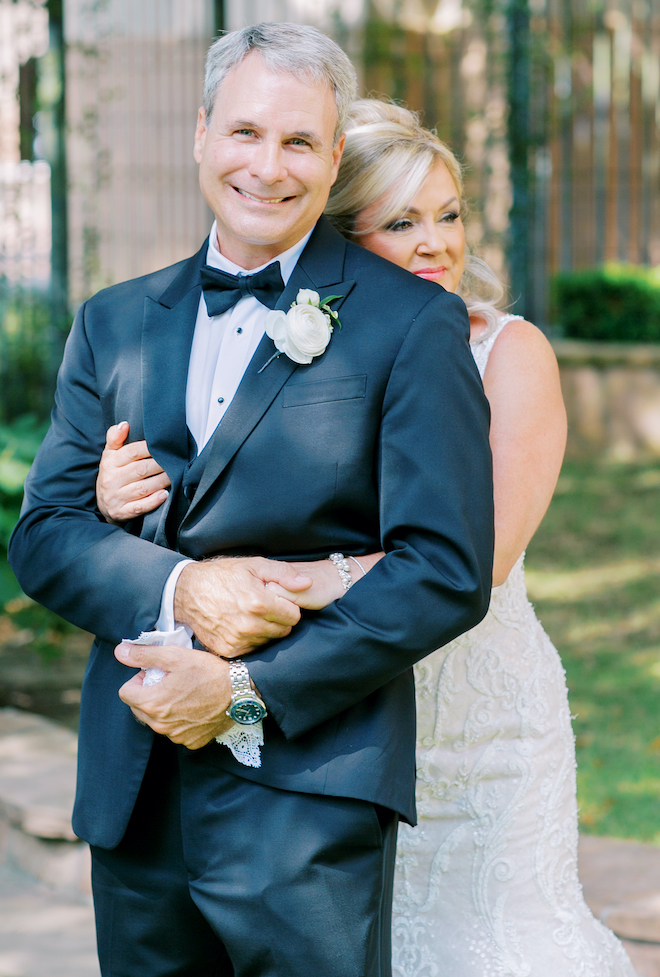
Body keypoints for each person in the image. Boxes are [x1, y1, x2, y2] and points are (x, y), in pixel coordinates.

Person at [97, 99, 638, 976]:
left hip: (477, 721)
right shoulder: (296, 347)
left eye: (450, 214)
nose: (437, 244)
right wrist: (117, 485)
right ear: (338, 237)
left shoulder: (509, 350)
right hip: (338, 715)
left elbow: (480, 558)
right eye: (401, 222)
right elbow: (221, 483)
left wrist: (287, 580)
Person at [8, 26, 494, 977]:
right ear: (200, 135)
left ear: (334, 157)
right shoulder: (112, 322)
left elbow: (445, 569)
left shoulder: (410, 323)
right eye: (244, 133)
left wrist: (241, 692)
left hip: (309, 787)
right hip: (134, 787)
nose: (267, 167)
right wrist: (183, 589)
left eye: (299, 142)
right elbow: (45, 536)